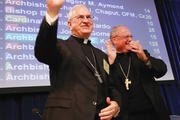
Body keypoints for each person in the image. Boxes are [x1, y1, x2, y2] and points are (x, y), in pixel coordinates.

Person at [34, 0, 121, 120]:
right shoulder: (60, 46)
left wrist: (116, 105)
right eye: (80, 17)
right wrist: (52, 12)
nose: (86, 20)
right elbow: (42, 51)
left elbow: (112, 86)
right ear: (69, 24)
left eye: (88, 17)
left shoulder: (101, 55)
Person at [105, 25, 170, 120]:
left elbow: (162, 70)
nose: (130, 40)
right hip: (127, 115)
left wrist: (144, 57)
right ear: (114, 39)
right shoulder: (107, 60)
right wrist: (111, 63)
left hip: (153, 112)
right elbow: (107, 84)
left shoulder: (140, 54)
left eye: (131, 36)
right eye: (126, 37)